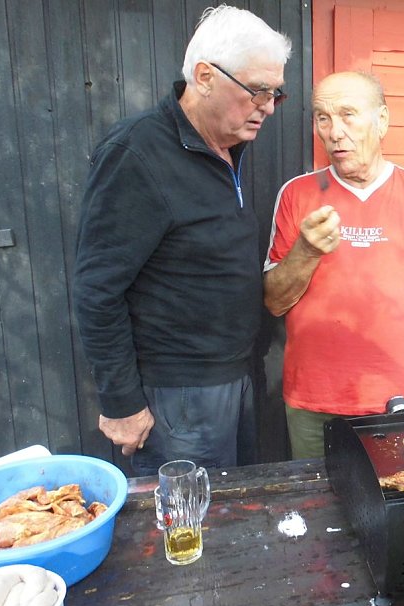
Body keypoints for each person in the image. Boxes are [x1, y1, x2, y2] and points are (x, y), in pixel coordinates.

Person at [72, 6, 292, 476]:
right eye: (257, 91)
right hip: (177, 398)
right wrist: (122, 403)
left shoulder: (225, 145)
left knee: (230, 516)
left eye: (275, 93)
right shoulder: (138, 154)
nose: (269, 107)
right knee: (187, 533)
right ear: (205, 76)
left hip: (232, 378)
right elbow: (97, 288)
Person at [263, 71, 404, 459]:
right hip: (312, 402)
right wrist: (306, 250)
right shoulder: (298, 194)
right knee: (320, 510)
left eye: (348, 114)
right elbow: (274, 302)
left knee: (395, 500)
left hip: (397, 402)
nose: (335, 131)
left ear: (382, 120)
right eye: (323, 117)